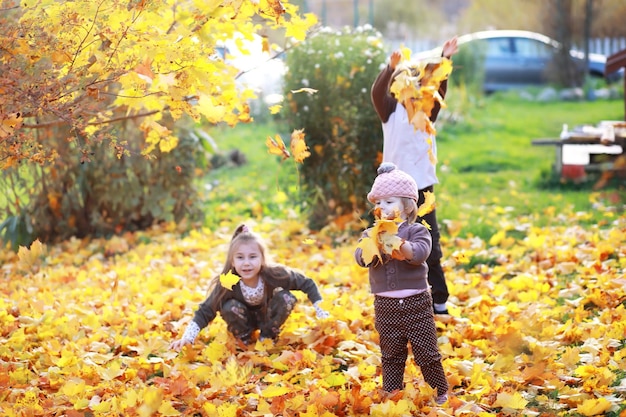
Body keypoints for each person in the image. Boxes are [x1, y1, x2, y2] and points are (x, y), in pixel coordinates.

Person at [371, 38, 458, 315]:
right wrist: (389, 68)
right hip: (393, 191)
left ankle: (439, 299)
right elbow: (376, 93)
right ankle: (394, 298)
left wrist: (444, 57)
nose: (408, 88)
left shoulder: (427, 112)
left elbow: (438, 86)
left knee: (430, 243)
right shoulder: (390, 112)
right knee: (390, 243)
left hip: (422, 189)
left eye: (413, 83)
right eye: (402, 82)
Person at [354, 162, 449, 405]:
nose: (381, 207)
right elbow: (361, 258)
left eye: (389, 202)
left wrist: (399, 244)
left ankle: (439, 390)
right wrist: (372, 246)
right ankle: (393, 392)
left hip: (417, 303)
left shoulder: (417, 230)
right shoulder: (371, 234)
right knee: (391, 353)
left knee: (427, 352)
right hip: (385, 305)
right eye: (378, 203)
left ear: (407, 206)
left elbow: (419, 254)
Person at [170, 224, 329, 351]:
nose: (246, 263)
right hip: (241, 320)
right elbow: (205, 310)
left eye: (252, 257)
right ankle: (244, 340)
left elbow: (307, 283)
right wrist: (187, 337)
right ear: (232, 261)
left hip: (268, 317)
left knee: (286, 297)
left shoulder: (274, 275)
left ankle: (267, 337)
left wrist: (321, 310)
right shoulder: (228, 282)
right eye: (240, 258)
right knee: (229, 306)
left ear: (262, 258)